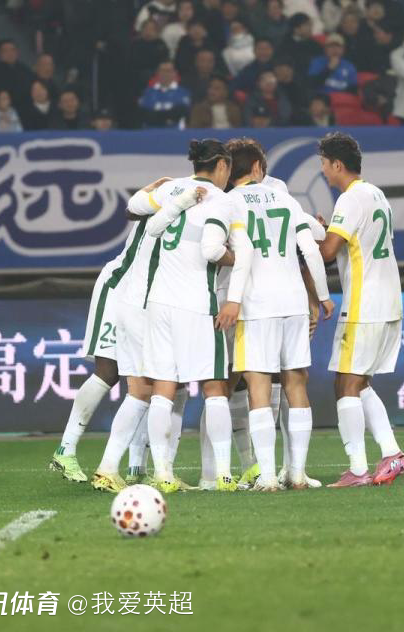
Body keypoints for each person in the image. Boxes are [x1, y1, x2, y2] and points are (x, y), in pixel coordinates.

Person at [141, 139, 252, 493]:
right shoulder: (223, 200)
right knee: (214, 387)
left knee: (163, 388)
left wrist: (155, 189)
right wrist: (236, 263)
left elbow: (137, 210)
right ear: (221, 165)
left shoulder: (172, 188)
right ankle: (222, 474)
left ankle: (163, 473)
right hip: (197, 304)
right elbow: (212, 250)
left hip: (159, 302)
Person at [225, 138, 333, 491]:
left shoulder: (229, 203)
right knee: (296, 383)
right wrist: (323, 296)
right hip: (294, 302)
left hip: (255, 304)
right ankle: (297, 474)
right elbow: (312, 249)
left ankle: (268, 477)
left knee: (258, 385)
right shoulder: (286, 199)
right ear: (257, 167)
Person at [89, 178, 205, 493]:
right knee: (167, 388)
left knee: (139, 391)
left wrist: (156, 186)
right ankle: (163, 473)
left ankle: (108, 468)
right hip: (149, 308)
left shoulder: (156, 205)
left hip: (130, 303)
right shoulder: (190, 215)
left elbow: (132, 206)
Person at [317, 132, 404, 487]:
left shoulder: (350, 198)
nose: (323, 172)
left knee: (347, 384)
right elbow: (356, 242)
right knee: (357, 381)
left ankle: (357, 470)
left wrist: (306, 240)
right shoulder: (376, 195)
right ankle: (392, 452)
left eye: (324, 165)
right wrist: (328, 232)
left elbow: (328, 252)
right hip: (387, 300)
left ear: (337, 164)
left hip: (364, 303)